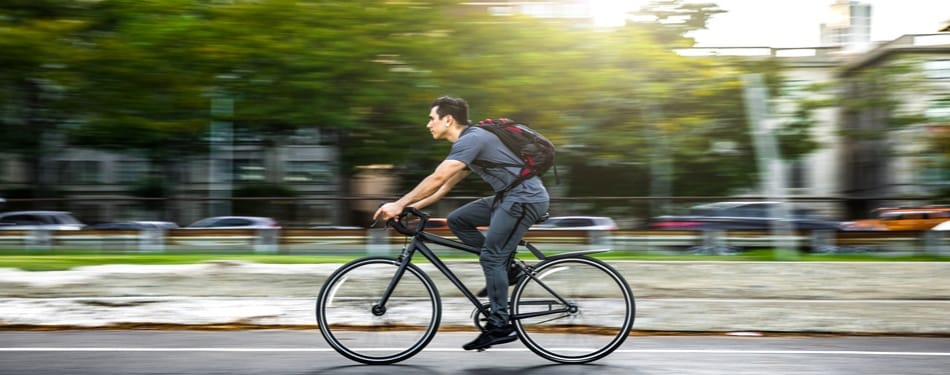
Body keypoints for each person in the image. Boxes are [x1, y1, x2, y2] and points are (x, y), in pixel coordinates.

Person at [373, 96, 550, 351]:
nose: (428, 124)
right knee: (458, 220)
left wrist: (399, 204)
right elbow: (444, 186)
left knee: (491, 257)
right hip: (510, 197)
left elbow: (437, 178)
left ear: (448, 119)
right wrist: (411, 208)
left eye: (431, 118)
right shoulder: (469, 142)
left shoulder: (472, 139)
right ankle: (508, 269)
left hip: (524, 199)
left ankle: (500, 325)